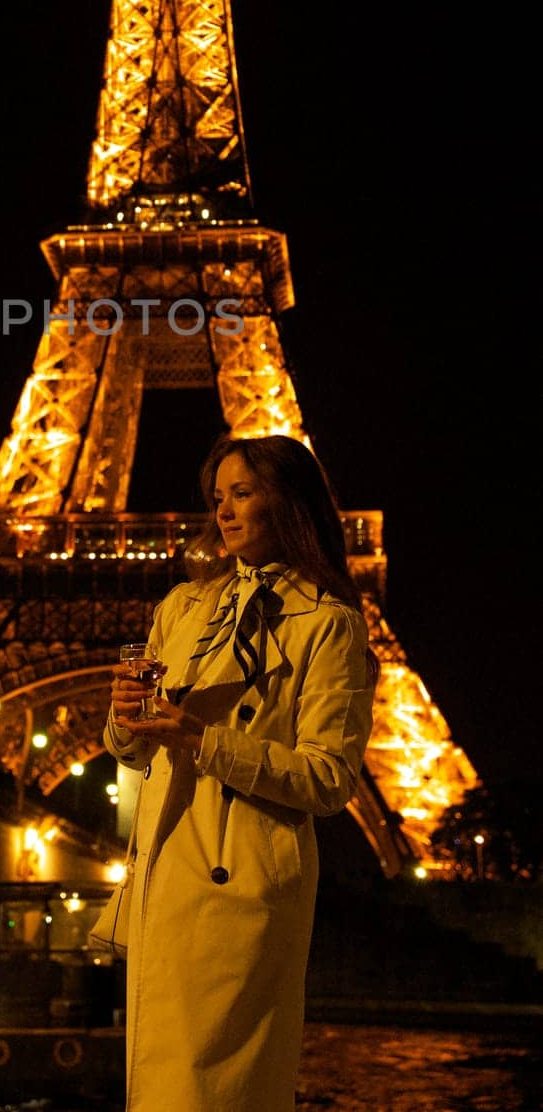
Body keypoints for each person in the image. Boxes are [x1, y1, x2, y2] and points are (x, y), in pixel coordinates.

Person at [105, 433, 378, 1112]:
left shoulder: (328, 625)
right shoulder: (182, 608)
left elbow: (327, 780)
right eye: (216, 497)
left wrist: (205, 741)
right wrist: (121, 719)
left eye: (243, 494)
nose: (223, 512)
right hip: (165, 872)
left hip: (242, 878)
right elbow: (136, 751)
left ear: (288, 501)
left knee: (215, 1089)